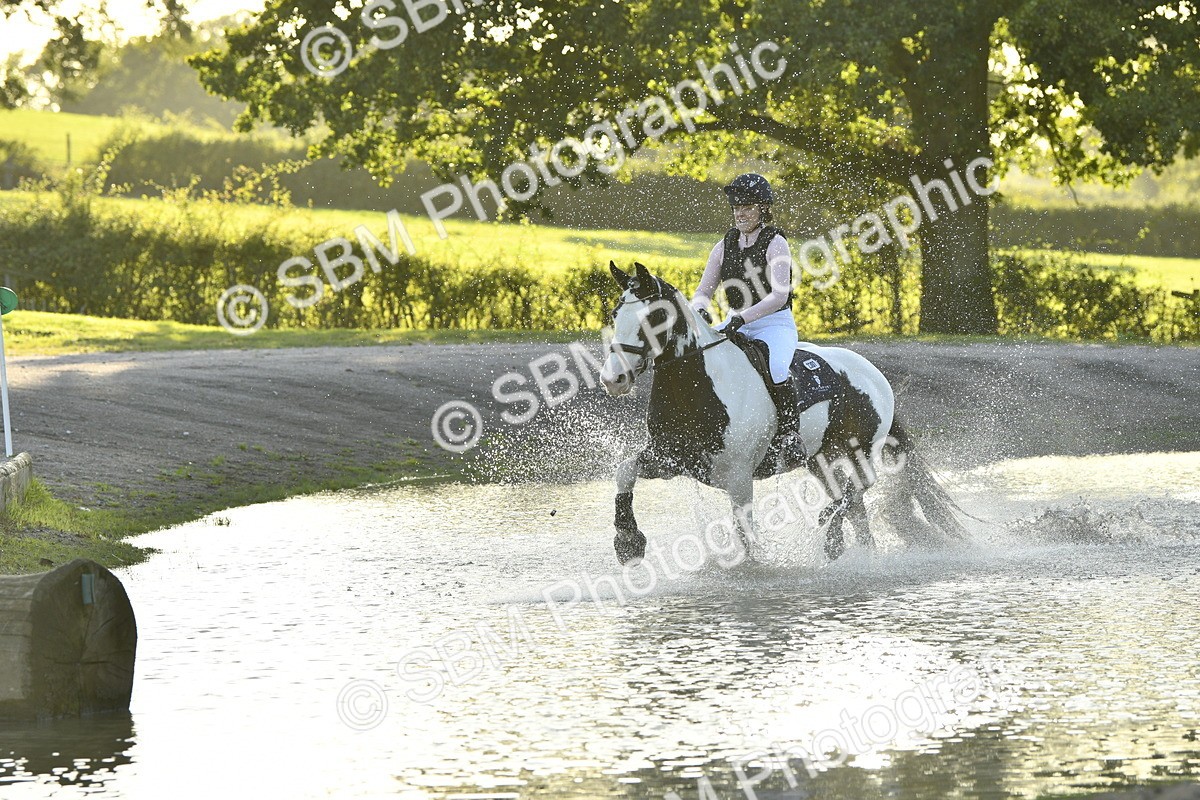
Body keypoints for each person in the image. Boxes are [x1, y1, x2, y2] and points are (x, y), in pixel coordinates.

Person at [690, 173, 804, 463]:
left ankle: (790, 435)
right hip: (734, 323)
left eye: (747, 207)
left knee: (777, 368)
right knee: (700, 357)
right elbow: (704, 290)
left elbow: (779, 296)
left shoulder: (776, 243)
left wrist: (742, 318)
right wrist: (699, 308)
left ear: (763, 209)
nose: (740, 213)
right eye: (736, 207)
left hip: (773, 325)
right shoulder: (723, 245)